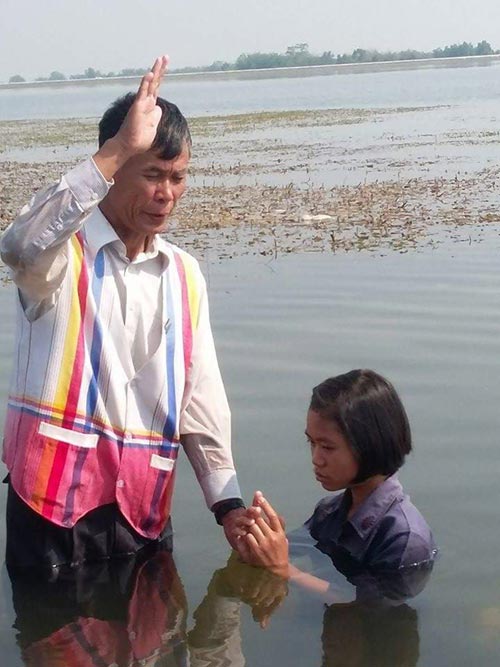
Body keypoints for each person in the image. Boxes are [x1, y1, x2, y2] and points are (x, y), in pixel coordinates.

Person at [0, 55, 246, 569]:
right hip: (52, 513)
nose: (167, 194)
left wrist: (226, 503)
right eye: (152, 174)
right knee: (54, 644)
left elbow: (201, 395)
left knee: (159, 644)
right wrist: (115, 150)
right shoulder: (62, 254)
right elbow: (18, 247)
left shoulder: (184, 275)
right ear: (112, 172)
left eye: (178, 177)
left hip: (143, 511)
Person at [235, 369, 437, 583]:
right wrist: (259, 538)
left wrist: (283, 569)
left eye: (327, 447)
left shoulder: (403, 539)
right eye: (311, 443)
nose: (316, 459)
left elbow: (369, 612)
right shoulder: (329, 512)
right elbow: (291, 549)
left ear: (369, 445)